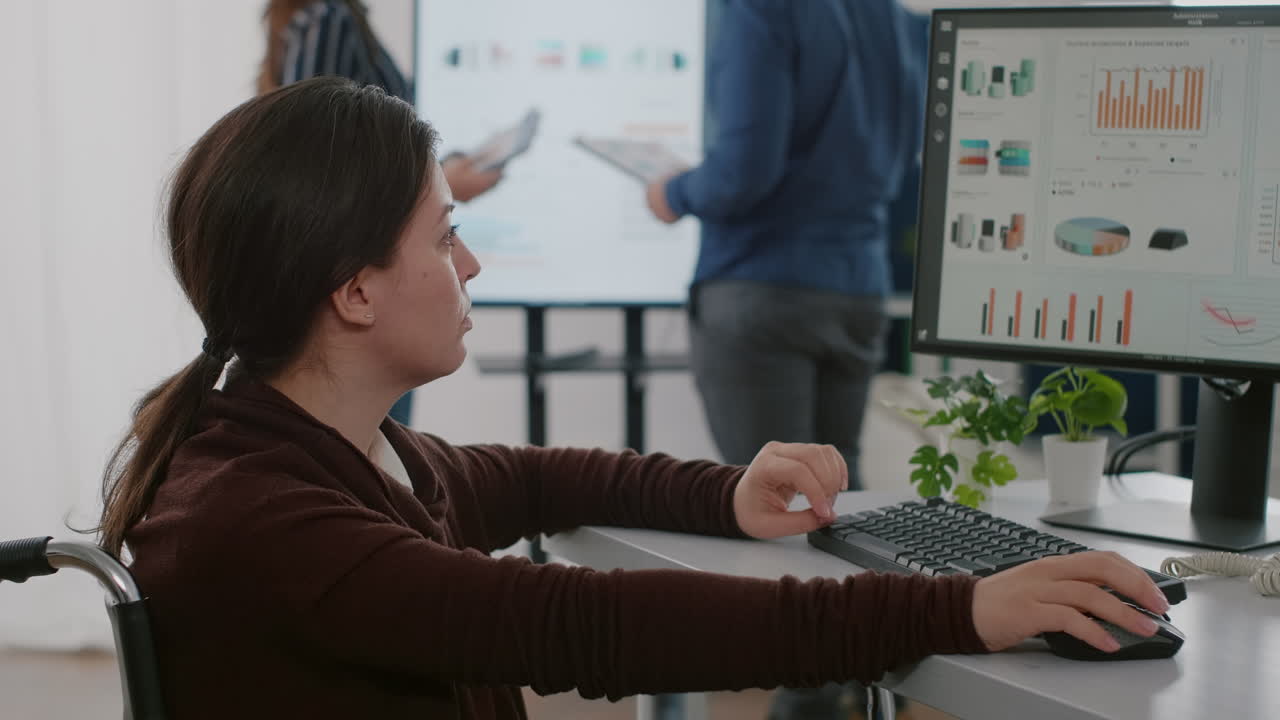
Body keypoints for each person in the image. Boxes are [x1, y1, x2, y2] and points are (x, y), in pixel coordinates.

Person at [98, 77, 1170, 719]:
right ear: (353, 290)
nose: (470, 268)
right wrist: (962, 607)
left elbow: (527, 476)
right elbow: (581, 625)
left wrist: (724, 496)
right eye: (444, 234)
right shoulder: (269, 518)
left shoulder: (328, 451)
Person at [644, 3, 927, 714]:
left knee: (777, 520)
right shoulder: (888, 16)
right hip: (857, 285)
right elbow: (902, 155)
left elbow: (743, 171)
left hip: (763, 289)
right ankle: (837, 692)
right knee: (838, 510)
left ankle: (809, 699)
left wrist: (673, 191)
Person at [258, 0, 502, 425]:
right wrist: (445, 183)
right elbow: (315, 166)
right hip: (360, 295)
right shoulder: (329, 20)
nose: (470, 265)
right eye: (446, 237)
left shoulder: (328, 23)